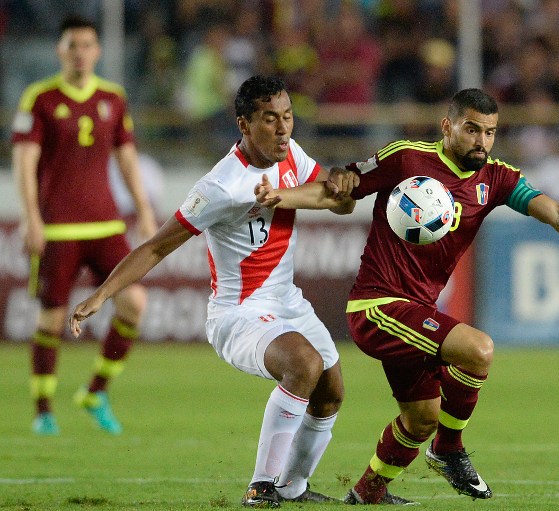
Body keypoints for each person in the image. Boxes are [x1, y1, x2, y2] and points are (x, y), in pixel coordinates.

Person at [329, 88, 559, 504]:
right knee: (478, 350)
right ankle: (448, 448)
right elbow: (343, 183)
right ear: (447, 126)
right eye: (472, 129)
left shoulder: (497, 178)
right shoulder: (407, 158)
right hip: (377, 305)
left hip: (417, 310)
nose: (482, 141)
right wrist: (327, 182)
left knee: (421, 418)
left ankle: (367, 493)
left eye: (490, 132)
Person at [68, 75, 356, 508]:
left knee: (331, 389)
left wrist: (340, 187)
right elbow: (156, 246)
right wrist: (103, 294)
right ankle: (262, 487)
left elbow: (336, 202)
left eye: (288, 117)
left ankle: (294, 488)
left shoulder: (291, 153)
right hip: (238, 314)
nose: (282, 130)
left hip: (287, 301)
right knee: (304, 363)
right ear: (243, 124)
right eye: (269, 120)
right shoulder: (220, 186)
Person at [11, 15, 157, 436]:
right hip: (57, 229)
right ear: (60, 50)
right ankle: (43, 411)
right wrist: (31, 218)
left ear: (98, 51)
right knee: (51, 321)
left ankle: (95, 392)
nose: (80, 52)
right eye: (72, 44)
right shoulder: (39, 98)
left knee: (135, 304)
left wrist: (145, 211)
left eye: (88, 45)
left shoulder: (113, 97)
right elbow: (25, 162)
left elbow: (127, 157)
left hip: (106, 226)